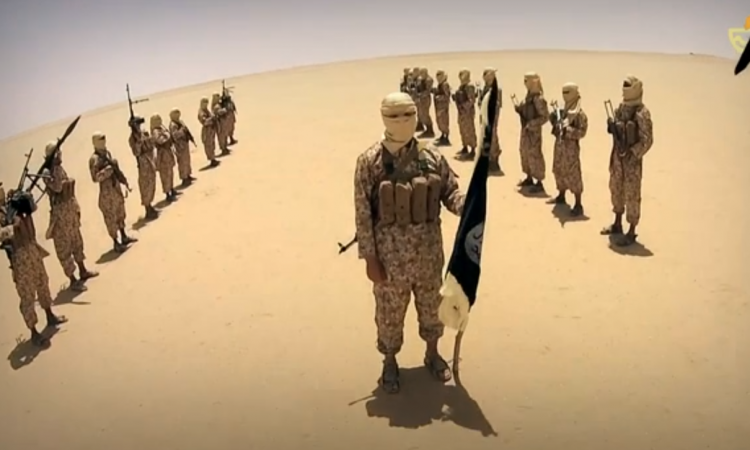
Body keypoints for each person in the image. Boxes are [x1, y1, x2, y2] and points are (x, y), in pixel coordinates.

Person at [353, 92, 466, 394]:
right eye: (395, 115)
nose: (402, 121)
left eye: (408, 114)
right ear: (383, 118)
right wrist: (370, 259)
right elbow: (363, 214)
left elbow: (450, 193)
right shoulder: (369, 162)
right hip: (390, 262)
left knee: (432, 310)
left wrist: (468, 204)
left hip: (428, 256)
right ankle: (390, 362)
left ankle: (432, 354)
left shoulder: (432, 157)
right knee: (389, 316)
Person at [0, 185, 67, 347]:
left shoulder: (11, 204)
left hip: (32, 248)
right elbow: (3, 235)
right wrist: (12, 226)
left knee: (42, 281)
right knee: (27, 294)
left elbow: (32, 208)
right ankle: (34, 332)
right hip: (19, 258)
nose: (1, 191)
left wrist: (24, 199)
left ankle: (49, 315)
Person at [601, 75, 653, 246]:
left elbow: (647, 140)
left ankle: (631, 231)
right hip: (617, 157)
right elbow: (617, 126)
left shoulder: (642, 113)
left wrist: (633, 152)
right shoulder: (621, 108)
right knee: (616, 189)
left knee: (632, 194)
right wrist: (612, 127)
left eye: (628, 86)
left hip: (632, 162)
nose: (624, 89)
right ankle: (617, 223)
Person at [41, 141, 98, 291]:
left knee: (76, 241)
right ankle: (73, 280)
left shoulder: (59, 168)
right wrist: (55, 168)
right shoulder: (47, 172)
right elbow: (58, 187)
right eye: (58, 153)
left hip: (70, 211)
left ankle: (83, 270)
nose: (61, 155)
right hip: (60, 216)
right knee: (64, 247)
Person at [89, 131, 137, 252]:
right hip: (106, 192)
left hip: (115, 188)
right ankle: (116, 242)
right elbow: (95, 178)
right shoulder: (94, 159)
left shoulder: (107, 153)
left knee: (120, 212)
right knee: (110, 217)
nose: (103, 140)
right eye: (101, 139)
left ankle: (124, 236)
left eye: (104, 138)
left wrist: (122, 179)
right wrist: (107, 170)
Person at [550, 83, 588, 216]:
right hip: (559, 146)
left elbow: (582, 132)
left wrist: (568, 131)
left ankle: (578, 204)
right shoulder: (563, 110)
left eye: (567, 92)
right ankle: (561, 195)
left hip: (571, 149)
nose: (564, 95)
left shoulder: (579, 114)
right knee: (558, 170)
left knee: (573, 174)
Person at [515, 72, 549, 192]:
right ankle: (529, 177)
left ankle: (539, 182)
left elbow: (545, 117)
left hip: (534, 133)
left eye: (526, 80)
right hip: (525, 131)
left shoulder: (539, 99)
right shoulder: (528, 97)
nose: (525, 83)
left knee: (535, 155)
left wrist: (532, 124)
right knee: (524, 152)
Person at [128, 116, 159, 220]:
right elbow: (136, 152)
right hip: (143, 162)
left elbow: (152, 143)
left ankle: (150, 205)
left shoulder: (144, 133)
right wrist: (139, 142)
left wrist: (149, 139)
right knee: (145, 185)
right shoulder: (132, 138)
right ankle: (147, 207)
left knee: (152, 182)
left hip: (150, 159)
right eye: (136, 124)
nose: (138, 126)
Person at [478, 68, 503, 173]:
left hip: (492, 116)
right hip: (484, 116)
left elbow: (497, 104)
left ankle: (495, 160)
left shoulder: (496, 89)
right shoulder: (484, 88)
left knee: (492, 137)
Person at [150, 114, 180, 203]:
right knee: (165, 175)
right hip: (162, 155)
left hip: (167, 153)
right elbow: (160, 140)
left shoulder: (161, 129)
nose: (160, 120)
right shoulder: (155, 131)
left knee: (170, 173)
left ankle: (172, 189)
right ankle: (167, 193)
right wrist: (167, 135)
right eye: (157, 119)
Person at [452, 69, 478, 161]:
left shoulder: (470, 86)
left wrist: (463, 106)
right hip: (461, 112)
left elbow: (471, 100)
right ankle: (465, 146)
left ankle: (473, 150)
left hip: (467, 112)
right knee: (462, 129)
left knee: (469, 129)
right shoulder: (462, 86)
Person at [169, 108, 197, 187]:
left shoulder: (180, 122)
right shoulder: (173, 125)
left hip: (185, 143)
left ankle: (188, 174)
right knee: (182, 161)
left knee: (187, 159)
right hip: (179, 145)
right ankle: (184, 178)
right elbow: (175, 135)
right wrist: (181, 130)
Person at [197, 97, 221, 168]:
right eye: (205, 103)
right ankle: (211, 159)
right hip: (207, 130)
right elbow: (204, 121)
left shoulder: (206, 110)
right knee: (208, 145)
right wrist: (212, 118)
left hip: (211, 129)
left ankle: (213, 158)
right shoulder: (201, 112)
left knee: (212, 144)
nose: (206, 104)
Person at [431, 70, 451, 146]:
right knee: (440, 121)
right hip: (439, 106)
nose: (438, 78)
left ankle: (446, 137)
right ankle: (443, 135)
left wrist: (439, 97)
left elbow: (447, 96)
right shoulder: (440, 84)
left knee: (444, 121)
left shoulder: (445, 85)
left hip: (443, 107)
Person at [415, 68, 435, 138]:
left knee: (425, 114)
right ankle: (424, 127)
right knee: (421, 113)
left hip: (426, 99)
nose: (420, 75)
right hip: (421, 99)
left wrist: (420, 95)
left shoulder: (429, 80)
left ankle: (430, 130)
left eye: (422, 73)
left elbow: (427, 90)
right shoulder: (421, 79)